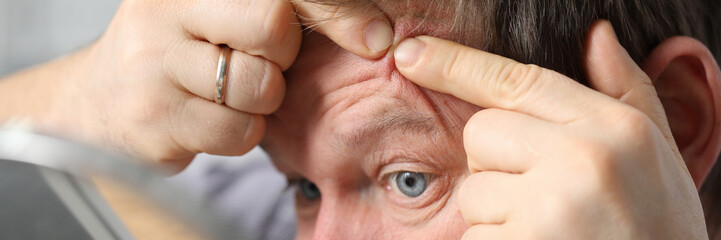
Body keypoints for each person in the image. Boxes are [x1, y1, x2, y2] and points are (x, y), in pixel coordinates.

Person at [0, 0, 719, 239]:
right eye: (304, 188)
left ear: (675, 123)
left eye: (408, 181)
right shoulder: (246, 204)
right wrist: (74, 99)